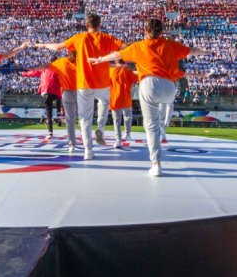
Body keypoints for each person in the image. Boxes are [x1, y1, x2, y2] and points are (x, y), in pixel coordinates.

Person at [89, 19, 211, 176]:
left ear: (145, 32)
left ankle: (156, 164)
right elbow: (191, 51)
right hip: (169, 87)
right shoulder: (170, 44)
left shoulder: (139, 46)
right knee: (164, 110)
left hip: (149, 84)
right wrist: (206, 52)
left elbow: (117, 54)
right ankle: (164, 128)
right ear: (162, 32)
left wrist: (99, 59)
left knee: (151, 126)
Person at [35, 13, 122, 160]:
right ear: (99, 24)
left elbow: (57, 47)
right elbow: (124, 47)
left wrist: (42, 45)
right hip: (102, 82)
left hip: (84, 84)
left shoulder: (79, 38)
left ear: (86, 25)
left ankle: (88, 151)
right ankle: (100, 128)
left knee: (84, 117)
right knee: (105, 103)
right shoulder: (108, 38)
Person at [22, 64, 62, 139]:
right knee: (58, 97)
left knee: (49, 113)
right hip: (56, 93)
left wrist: (23, 74)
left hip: (45, 92)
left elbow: (33, 73)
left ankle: (50, 133)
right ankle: (59, 113)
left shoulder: (43, 69)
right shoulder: (59, 70)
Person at [109, 60, 138, 148]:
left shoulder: (111, 71)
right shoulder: (127, 70)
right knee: (127, 116)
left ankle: (118, 139)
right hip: (126, 97)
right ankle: (127, 133)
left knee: (116, 120)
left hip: (115, 97)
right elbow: (135, 79)